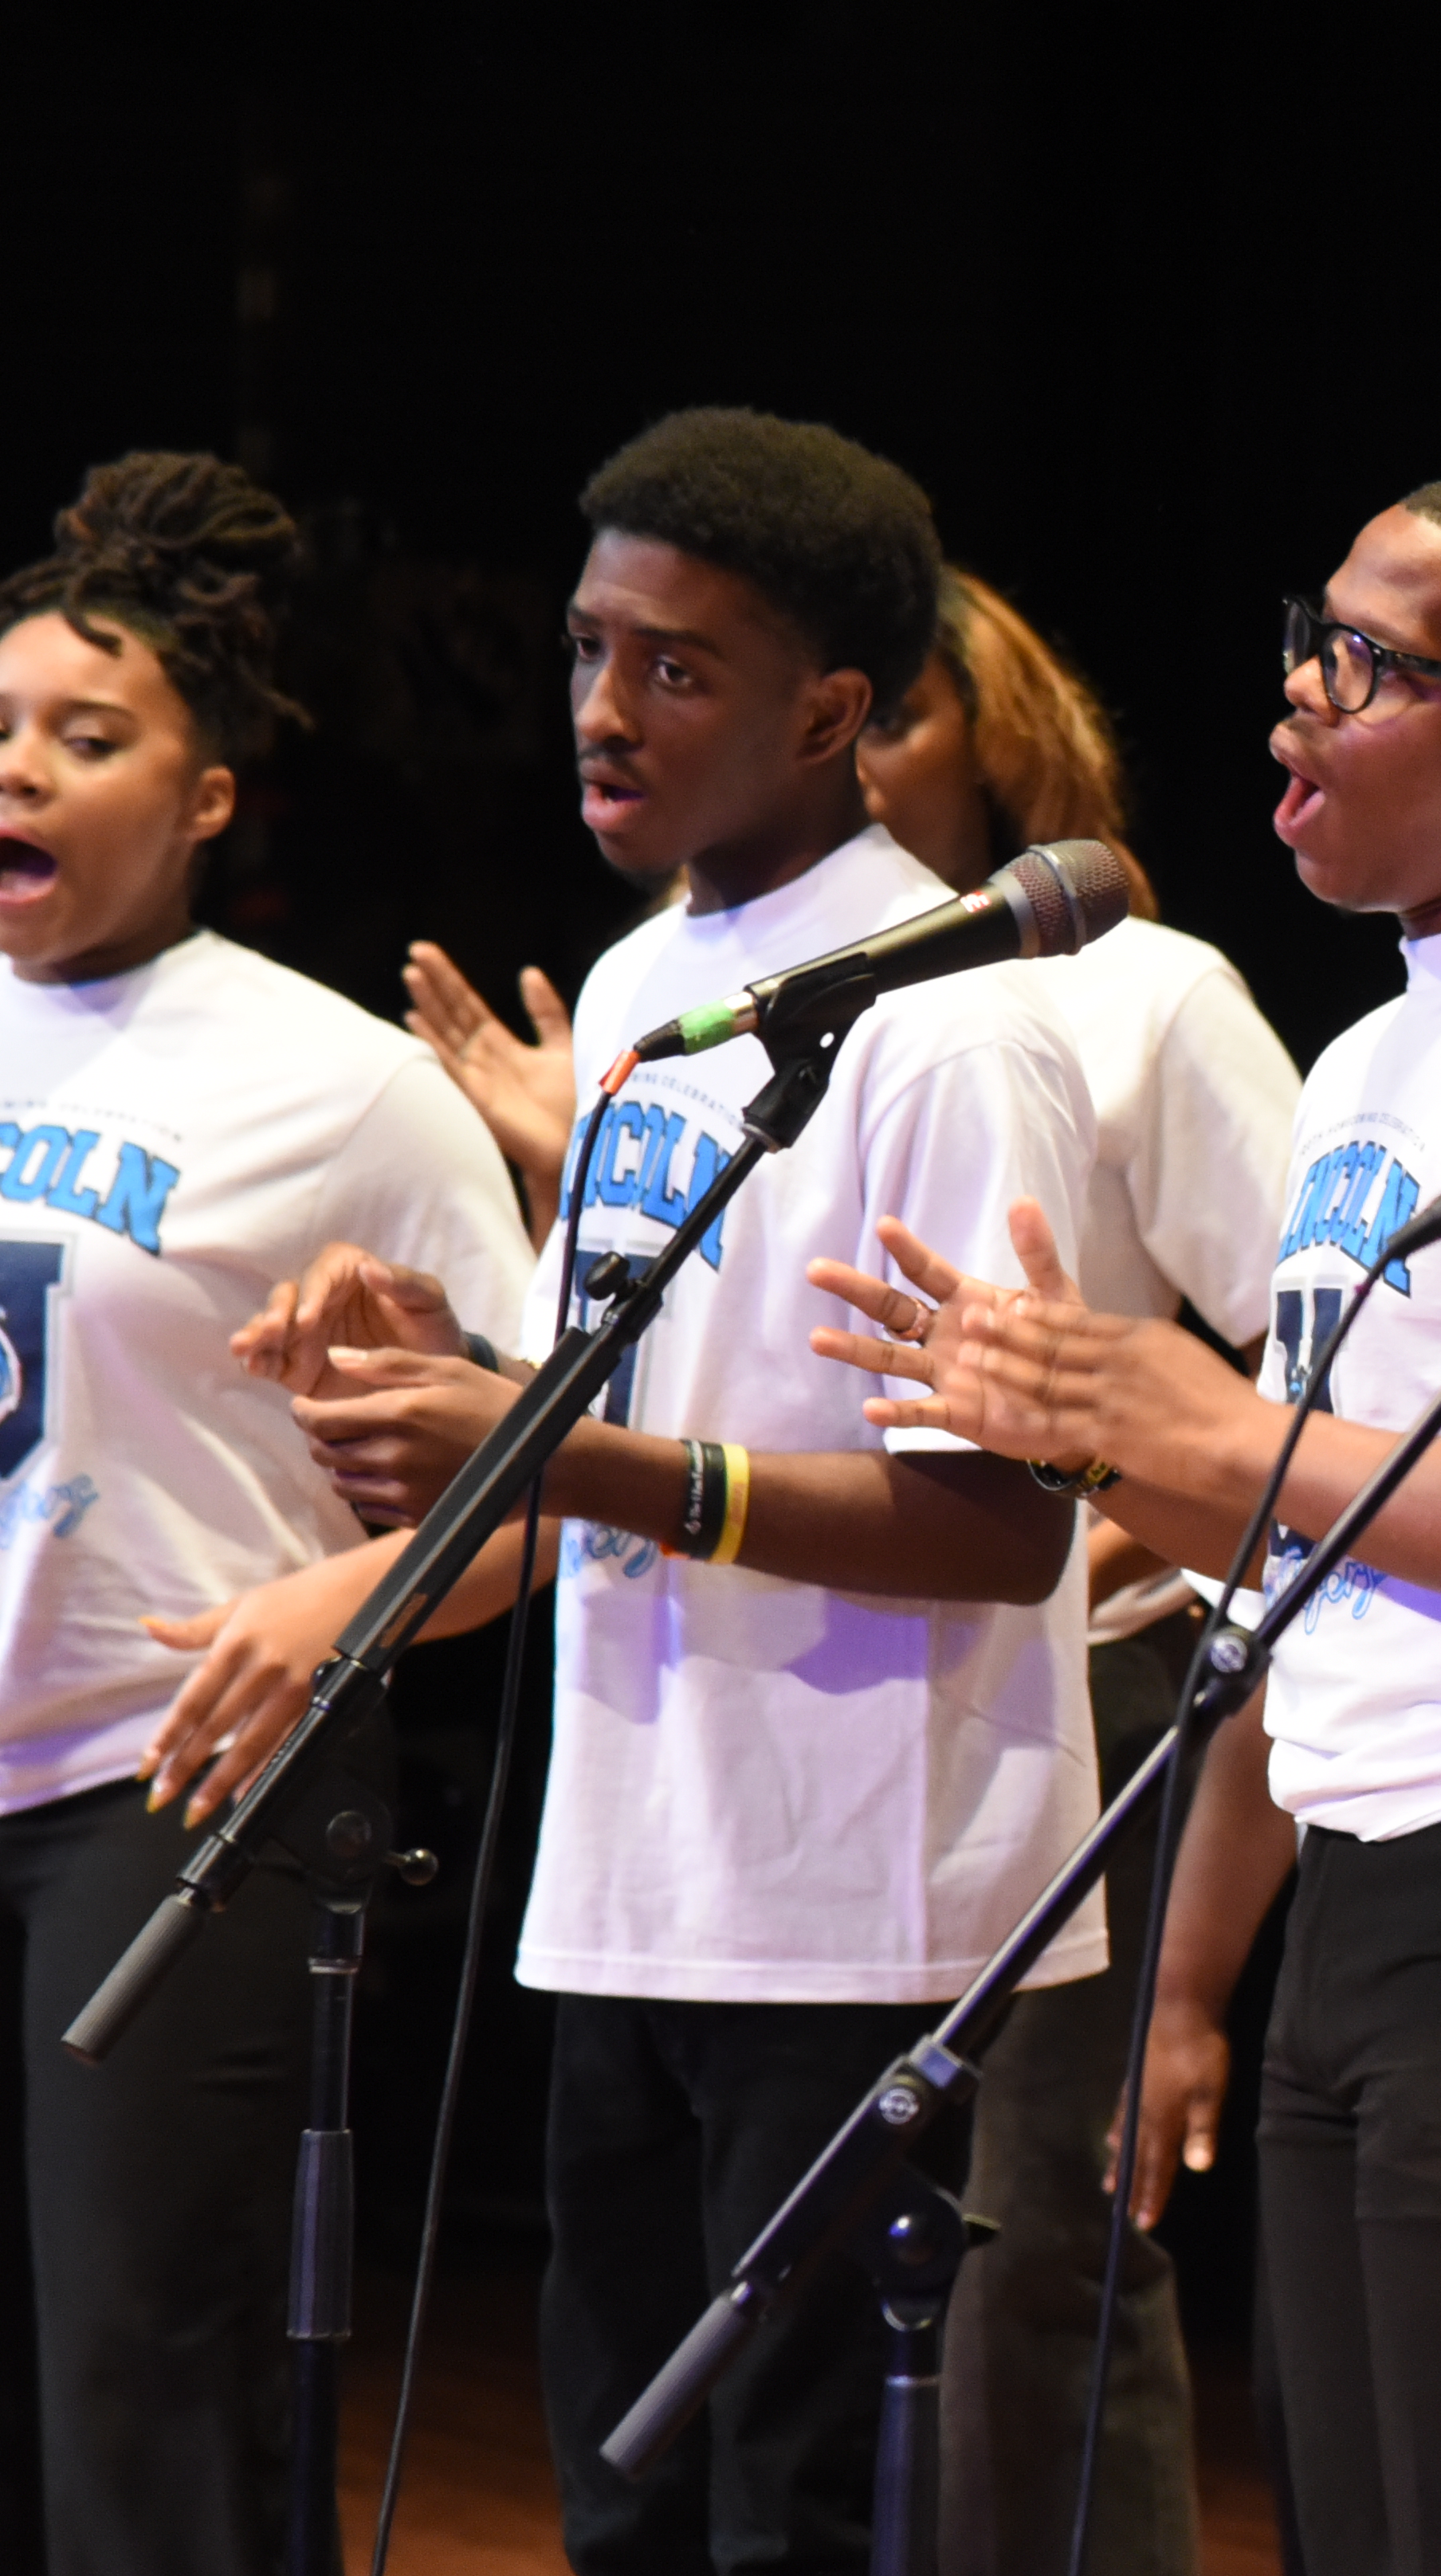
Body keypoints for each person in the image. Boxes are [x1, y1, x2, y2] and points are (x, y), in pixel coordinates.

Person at [214, 406, 1109, 2573]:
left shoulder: (954, 1031)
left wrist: (575, 1450)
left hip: (865, 1909)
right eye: (589, 651)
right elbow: (582, 1414)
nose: (606, 713)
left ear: (832, 710)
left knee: (797, 2516)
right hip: (634, 1865)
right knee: (630, 2510)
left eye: (677, 670)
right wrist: (420, 1374)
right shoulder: (643, 991)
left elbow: (1002, 1531)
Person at [817, 478, 1441, 2576]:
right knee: (1351, 2524)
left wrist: (1195, 1425)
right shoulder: (1377, 1054)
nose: (1297, 714)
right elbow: (1309, 1561)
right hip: (1363, 1880)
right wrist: (1065, 1431)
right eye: (1309, 650)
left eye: (1375, 669)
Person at [0, 455, 524, 2575]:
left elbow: (534, 1495)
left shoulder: (341, 1091)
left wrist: (353, 1602)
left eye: (85, 738)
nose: (21, 771)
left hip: (173, 1795)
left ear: (208, 797)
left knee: (151, 2388)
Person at [853, 566, 1300, 2576]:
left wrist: (1155, 1483)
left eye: (888, 714)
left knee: (1036, 2244)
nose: (845, 764)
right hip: (822, 1683)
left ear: (997, 733)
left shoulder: (1149, 991)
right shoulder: (751, 998)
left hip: (1083, 1695)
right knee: (826, 2249)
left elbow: (1338, 1327)